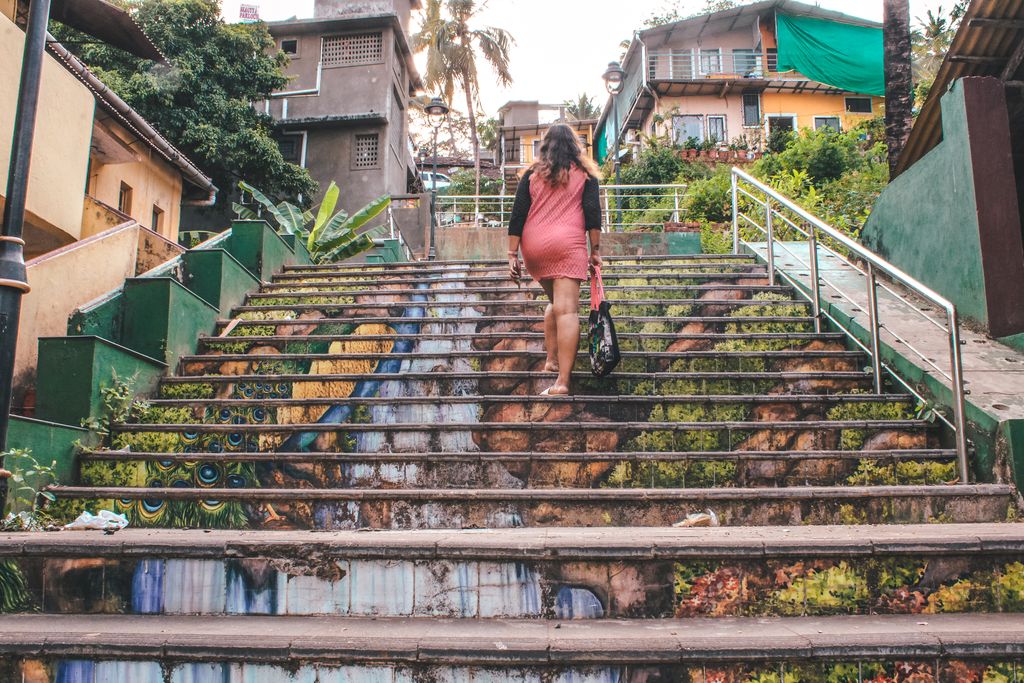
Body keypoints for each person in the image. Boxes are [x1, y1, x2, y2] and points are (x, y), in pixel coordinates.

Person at [507, 123, 602, 396]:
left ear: (545, 145)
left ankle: (551, 360)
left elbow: (517, 215)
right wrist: (595, 250)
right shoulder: (584, 175)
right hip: (567, 245)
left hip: (534, 247)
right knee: (567, 310)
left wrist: (511, 254)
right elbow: (593, 213)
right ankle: (562, 382)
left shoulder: (531, 175)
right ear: (575, 145)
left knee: (555, 304)